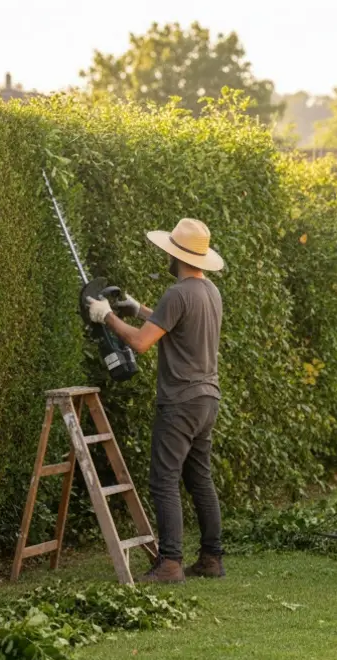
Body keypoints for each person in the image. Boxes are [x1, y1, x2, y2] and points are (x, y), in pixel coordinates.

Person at [85, 218, 225, 584]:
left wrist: (109, 316)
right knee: (200, 479)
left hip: (180, 401)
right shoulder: (209, 291)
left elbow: (142, 343)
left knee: (164, 480)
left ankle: (170, 564)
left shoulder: (177, 293)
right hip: (207, 399)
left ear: (175, 254)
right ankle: (212, 558)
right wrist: (139, 309)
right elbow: (173, 325)